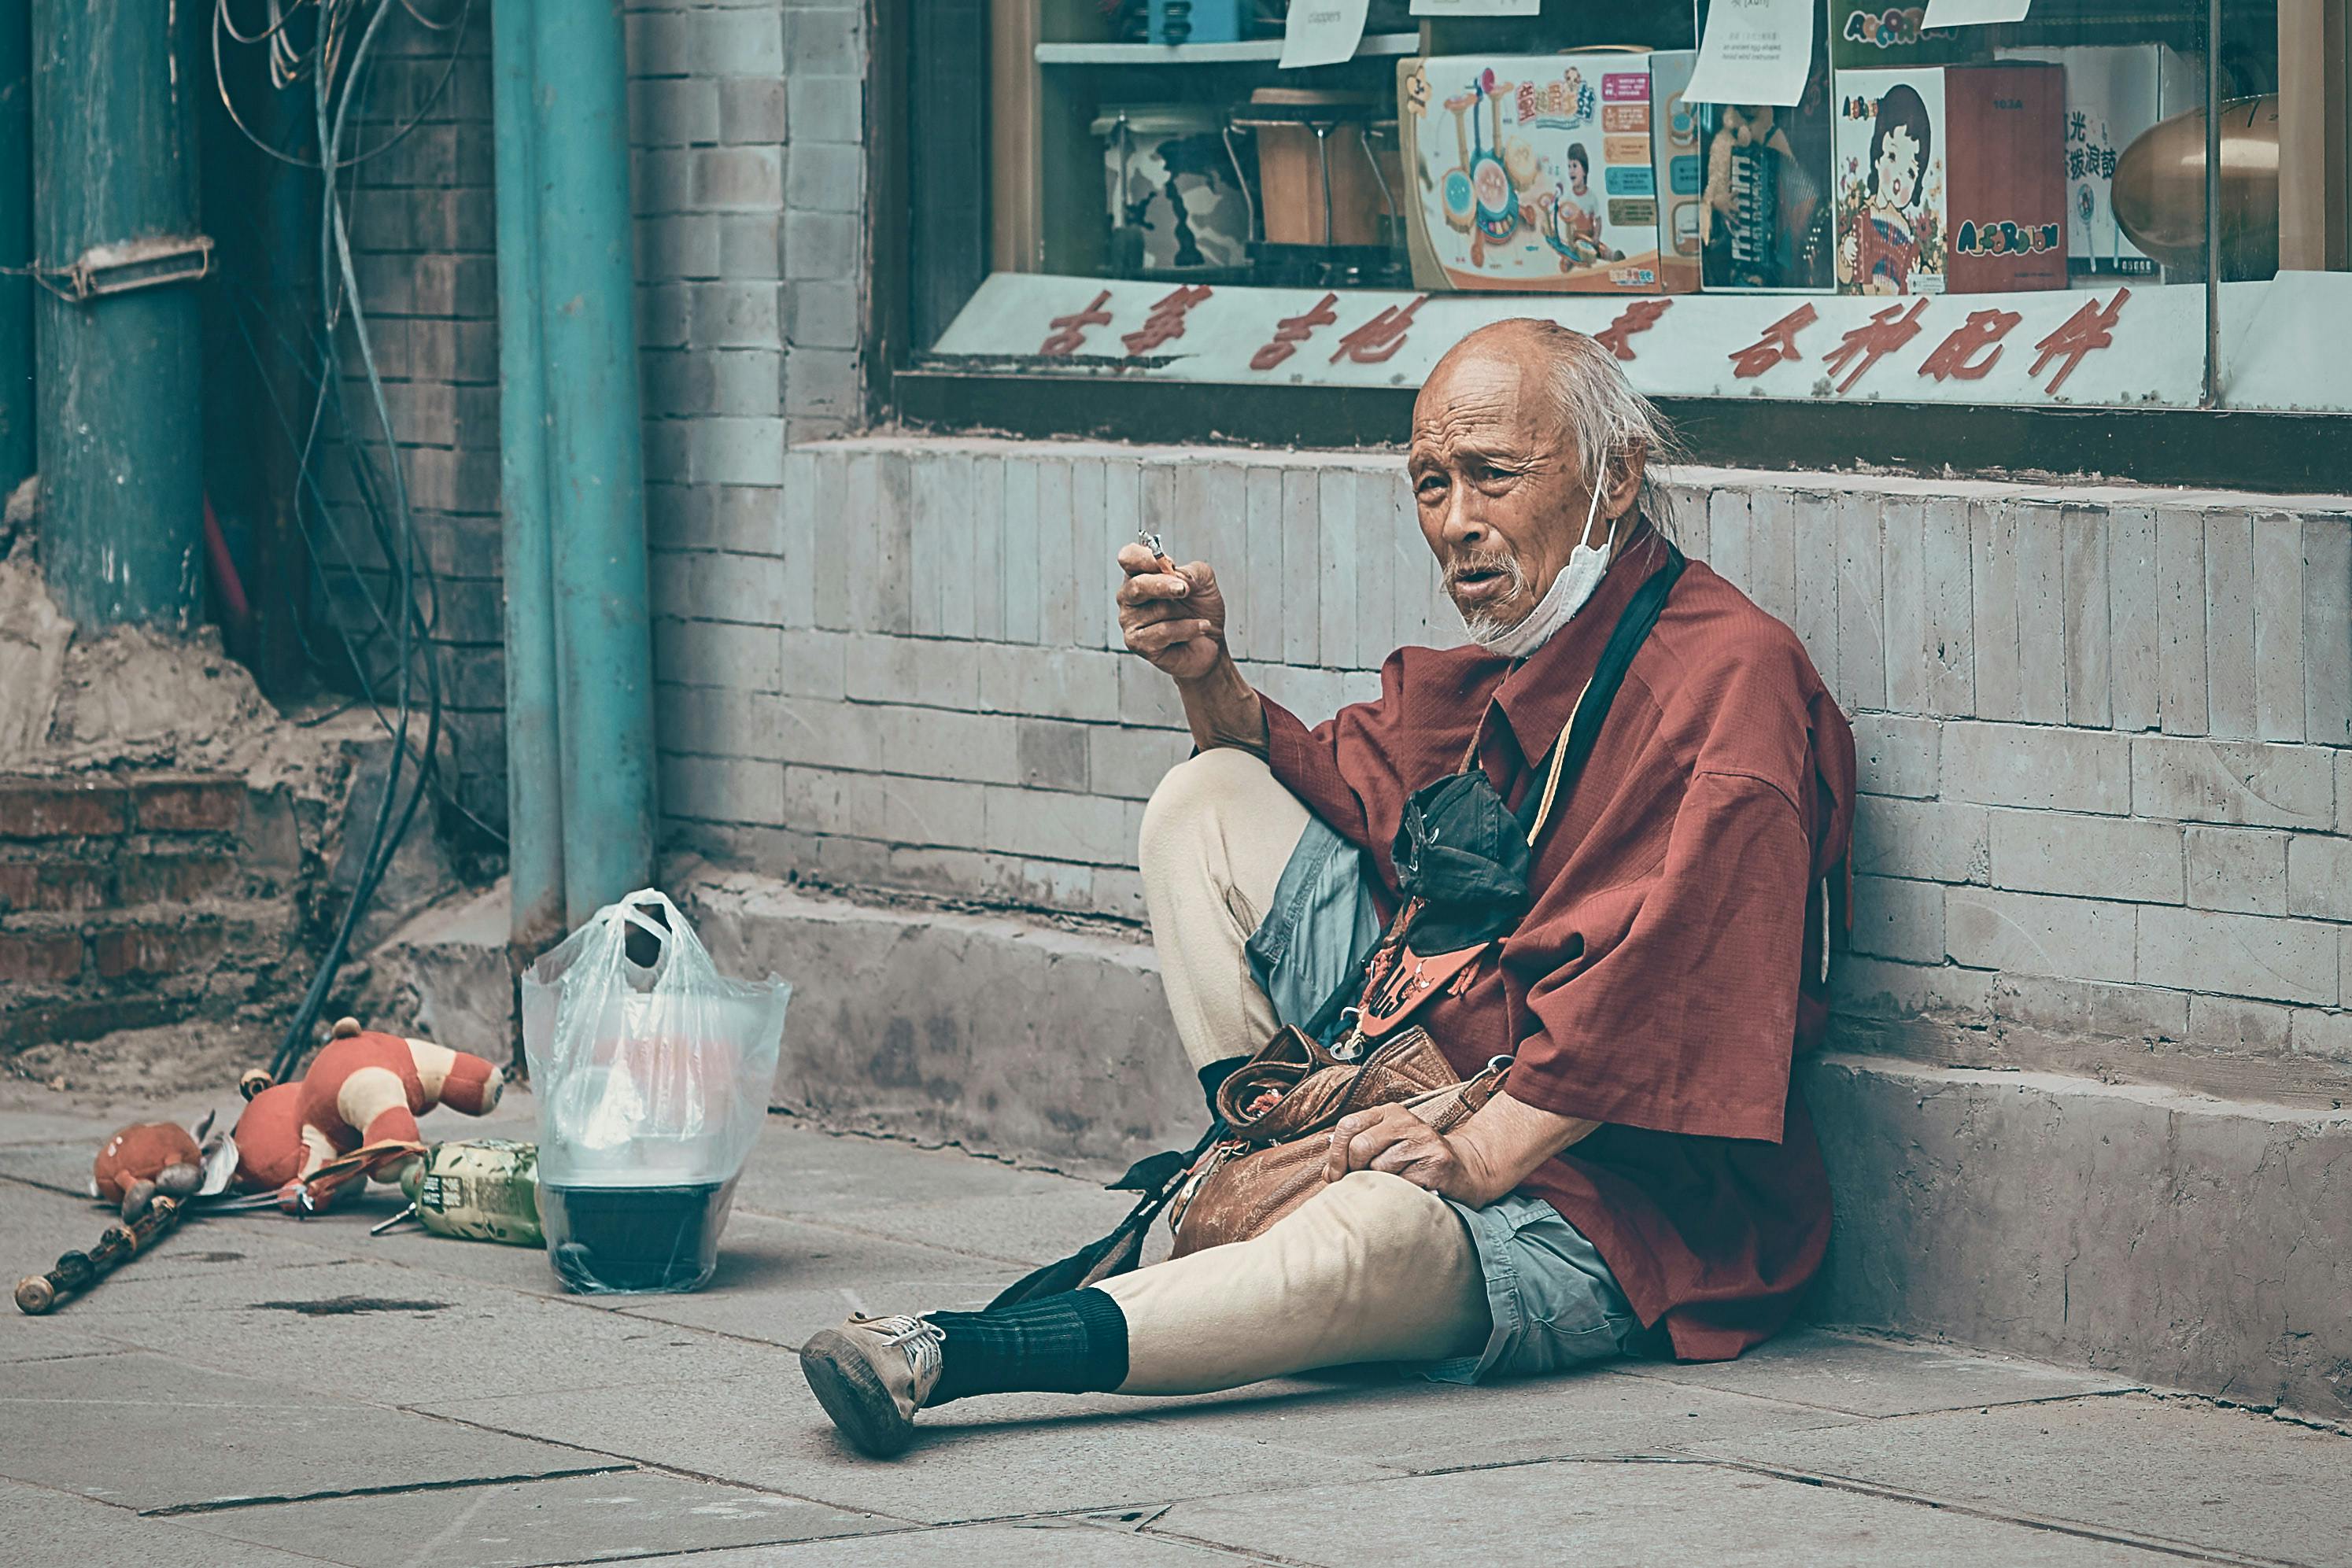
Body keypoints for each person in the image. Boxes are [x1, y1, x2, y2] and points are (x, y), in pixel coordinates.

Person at [799, 319, 1856, 1459]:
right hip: (1419, 1071)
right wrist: (1210, 679)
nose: (1457, 524)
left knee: (1367, 1240)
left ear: (1615, 479)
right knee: (1200, 803)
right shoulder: (1531, 653)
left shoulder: (1729, 676)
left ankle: (948, 1353)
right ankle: (1265, 1174)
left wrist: (1479, 1157)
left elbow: (1678, 989)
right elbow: (1353, 787)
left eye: (1494, 476)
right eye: (1430, 485)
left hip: (1609, 1194)